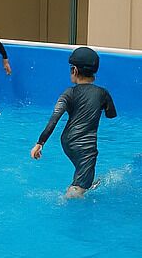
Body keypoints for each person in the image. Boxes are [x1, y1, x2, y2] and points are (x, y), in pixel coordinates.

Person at [30, 46, 117, 199]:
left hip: (67, 141)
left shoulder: (68, 93)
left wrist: (40, 143)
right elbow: (111, 115)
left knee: (83, 175)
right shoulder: (102, 93)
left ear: (75, 70)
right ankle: (67, 199)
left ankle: (83, 184)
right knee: (79, 187)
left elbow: (54, 118)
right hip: (85, 146)